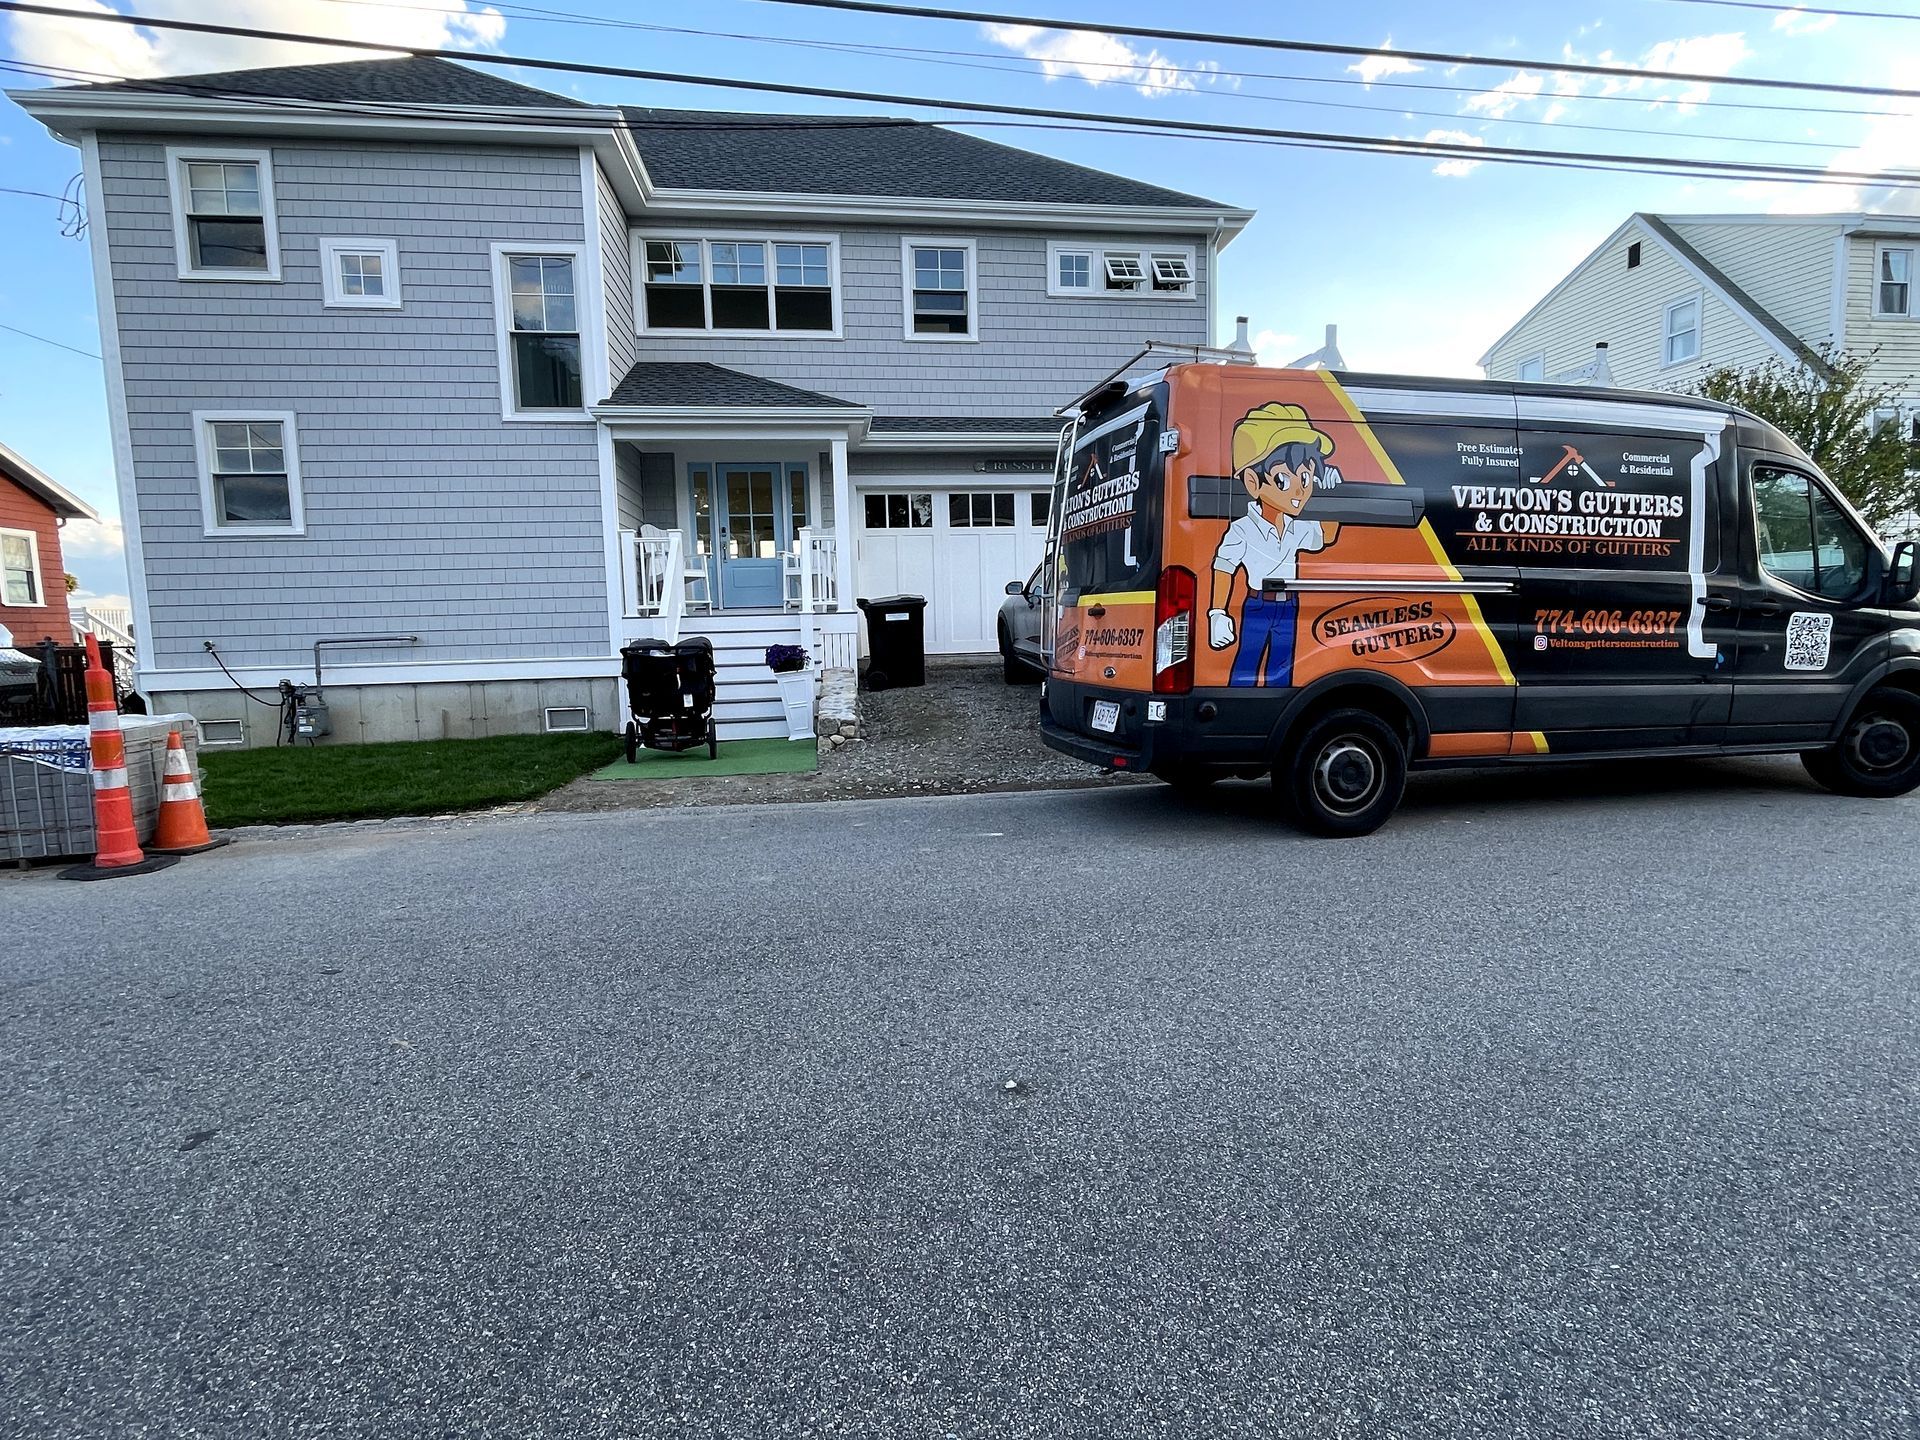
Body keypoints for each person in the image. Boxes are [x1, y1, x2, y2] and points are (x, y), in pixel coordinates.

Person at [1207, 402, 1342, 687]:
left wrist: (1333, 497)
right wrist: (1218, 613)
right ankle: (1239, 710)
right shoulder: (1242, 529)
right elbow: (1223, 566)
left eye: (1306, 478)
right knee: (1246, 665)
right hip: (1257, 603)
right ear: (1253, 481)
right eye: (1284, 478)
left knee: (1282, 671)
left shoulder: (1297, 527)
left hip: (1290, 605)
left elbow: (1326, 536)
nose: (1299, 490)